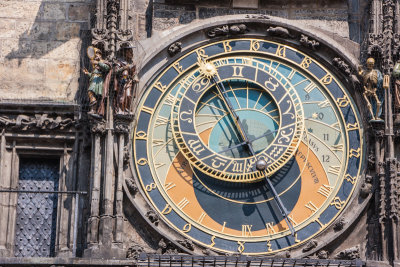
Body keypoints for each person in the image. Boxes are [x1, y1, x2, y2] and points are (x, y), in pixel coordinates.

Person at [83, 48, 111, 115]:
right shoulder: (95, 66)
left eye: (97, 55)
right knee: (93, 94)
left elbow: (107, 68)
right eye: (95, 56)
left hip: (99, 81)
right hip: (94, 80)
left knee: (91, 91)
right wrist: (87, 73)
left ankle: (94, 104)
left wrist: (98, 63)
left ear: (100, 55)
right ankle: (93, 110)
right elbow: (93, 75)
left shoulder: (103, 62)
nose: (96, 57)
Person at [114, 46, 138, 115]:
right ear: (125, 53)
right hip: (121, 82)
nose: (131, 54)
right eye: (129, 52)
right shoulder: (120, 61)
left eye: (131, 52)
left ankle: (127, 110)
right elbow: (116, 71)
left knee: (128, 95)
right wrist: (124, 67)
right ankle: (120, 110)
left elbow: (134, 73)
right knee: (122, 97)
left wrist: (135, 77)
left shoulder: (132, 64)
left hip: (128, 82)